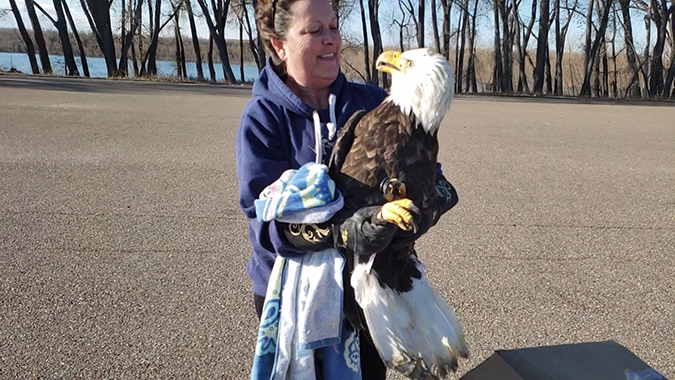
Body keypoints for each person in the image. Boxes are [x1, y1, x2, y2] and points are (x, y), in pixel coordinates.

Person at [236, 0, 458, 377]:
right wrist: (346, 231)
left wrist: (416, 214)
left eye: (334, 27)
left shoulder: (375, 102)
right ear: (279, 45)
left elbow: (429, 180)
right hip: (295, 293)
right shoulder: (264, 118)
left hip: (366, 287)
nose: (331, 41)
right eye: (314, 31)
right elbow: (267, 221)